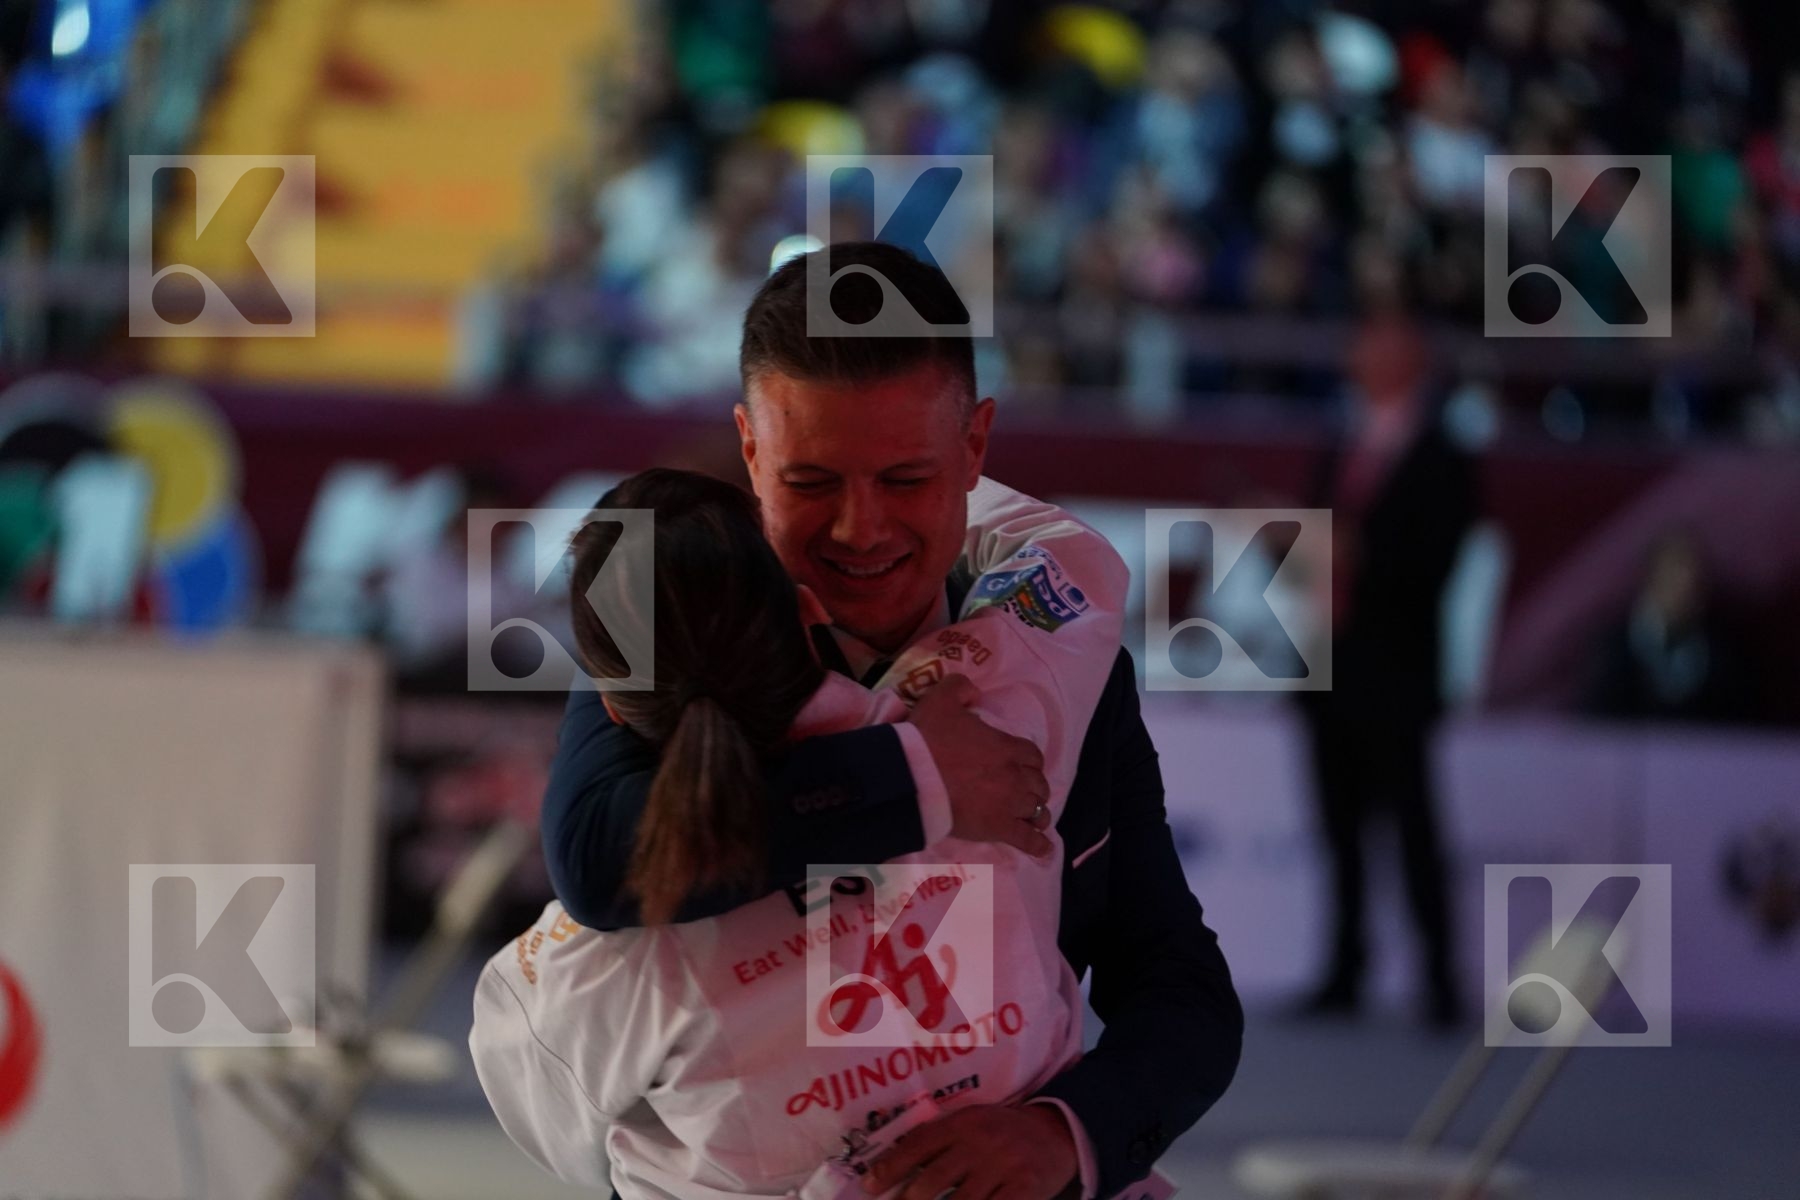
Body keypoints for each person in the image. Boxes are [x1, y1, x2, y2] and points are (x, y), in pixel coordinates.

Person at [538, 242, 1242, 1199]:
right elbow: (596, 860)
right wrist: (918, 778)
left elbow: (1180, 985)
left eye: (905, 480)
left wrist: (1062, 1136)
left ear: (976, 448)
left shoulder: (1062, 652)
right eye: (811, 483)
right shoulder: (681, 617)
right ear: (750, 449)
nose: (859, 529)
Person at [473, 464, 1126, 1197]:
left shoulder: (597, 959)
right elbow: (1075, 557)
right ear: (807, 612)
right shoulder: (995, 724)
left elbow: (552, 1119)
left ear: (613, 708)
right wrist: (914, 484)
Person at [1295, 317, 1477, 1029]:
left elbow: (1439, 562)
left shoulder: (1441, 455)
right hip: (1328, 666)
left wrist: (1360, 554)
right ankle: (1345, 970)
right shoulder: (1341, 442)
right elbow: (1315, 541)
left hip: (1397, 673)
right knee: (1337, 829)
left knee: (1413, 830)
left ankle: (1439, 980)